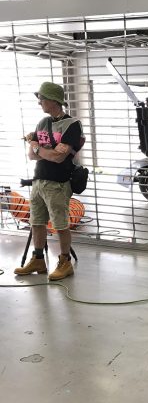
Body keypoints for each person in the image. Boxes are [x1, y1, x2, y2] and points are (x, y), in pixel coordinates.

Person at [14, 82, 85, 281]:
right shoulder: (42, 123)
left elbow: (58, 157)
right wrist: (42, 150)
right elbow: (32, 155)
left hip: (58, 184)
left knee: (60, 225)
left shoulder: (71, 125)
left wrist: (38, 147)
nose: (39, 103)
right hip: (38, 181)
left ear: (54, 100)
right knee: (36, 222)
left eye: (42, 99)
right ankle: (38, 259)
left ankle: (65, 262)